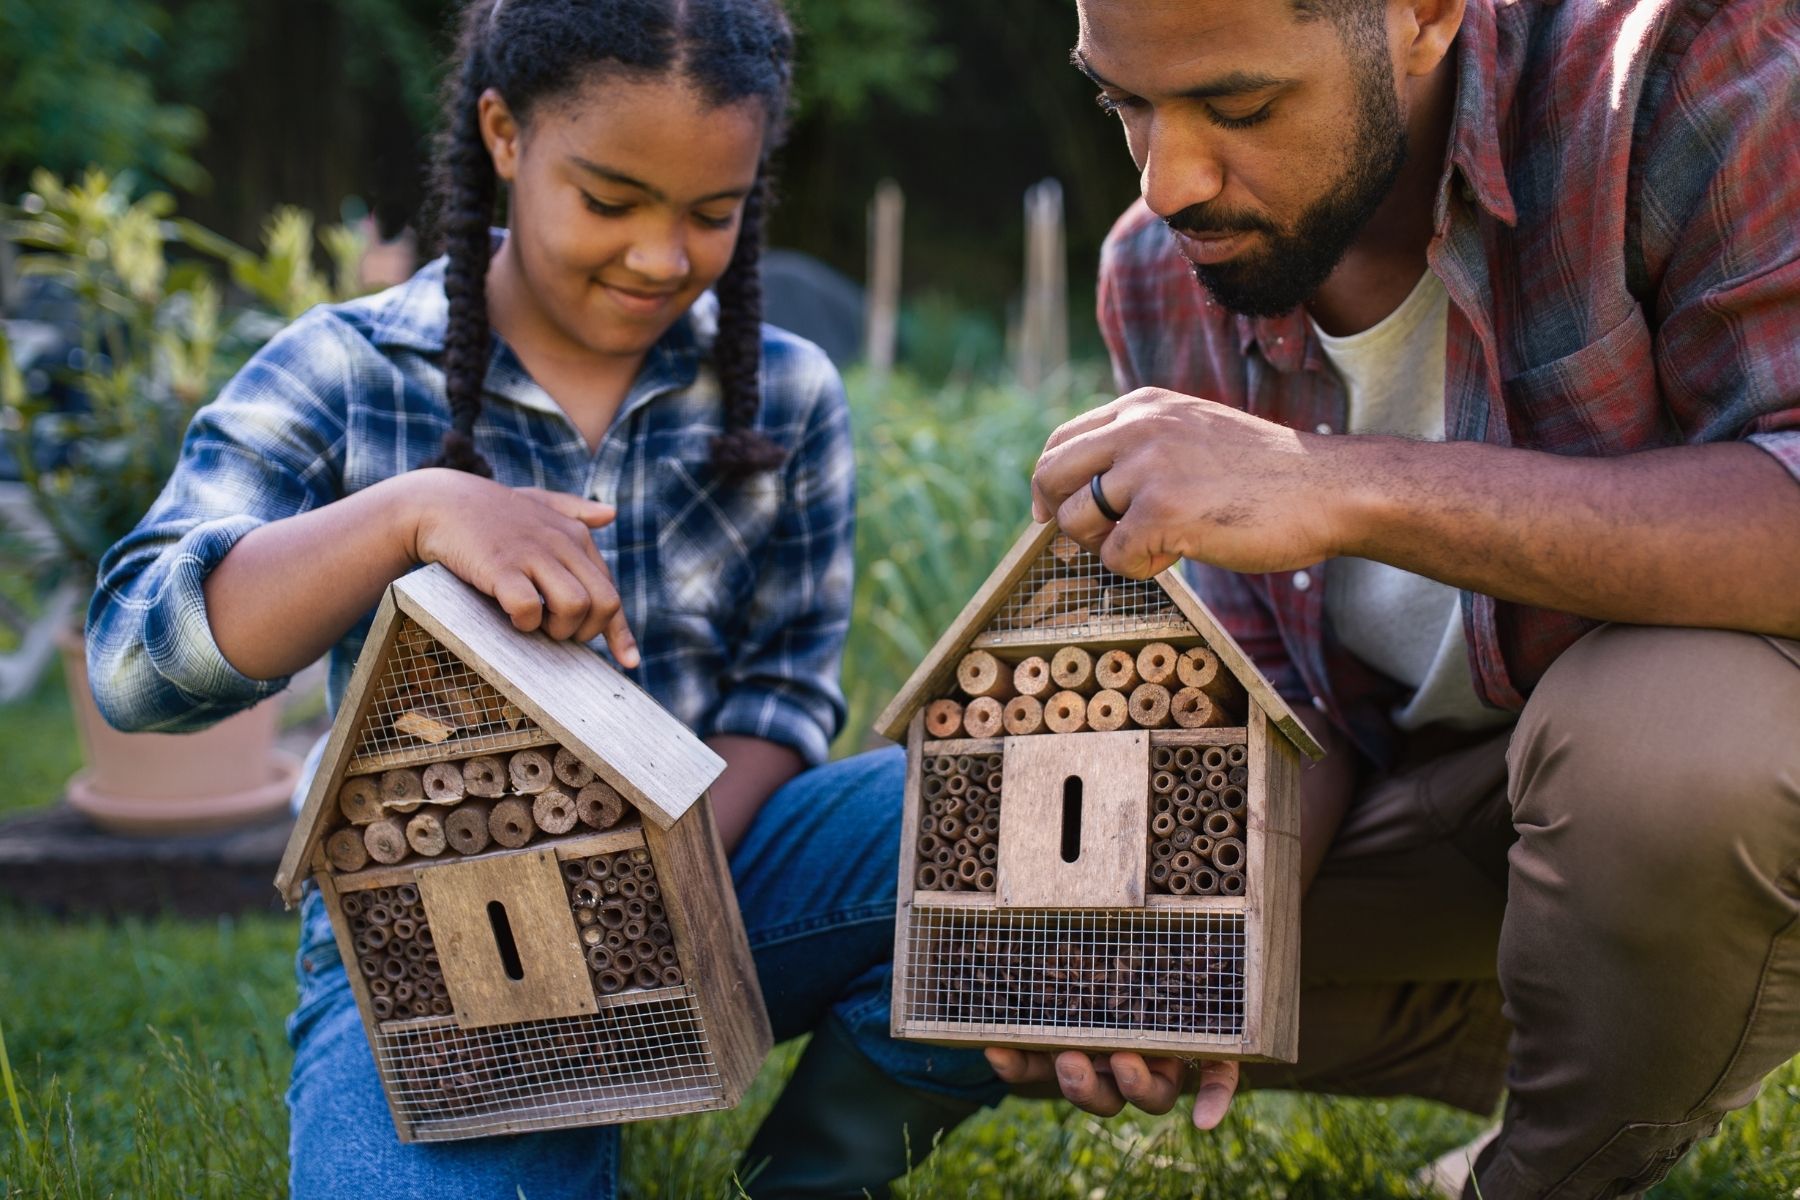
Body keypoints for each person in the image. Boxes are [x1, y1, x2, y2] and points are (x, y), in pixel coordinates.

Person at [84, 1, 997, 1195]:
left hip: (717, 877)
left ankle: (810, 1175)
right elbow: (132, 667)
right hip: (436, 931)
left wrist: (640, 881)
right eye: (610, 202)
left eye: (712, 213)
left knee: (994, 816)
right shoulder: (346, 370)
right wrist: (408, 515)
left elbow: (783, 692)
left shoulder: (784, 391)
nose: (662, 257)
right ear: (505, 135)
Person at [997, 0, 1800, 1197]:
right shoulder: (1160, 272)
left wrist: (1340, 488)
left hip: (1711, 785)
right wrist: (1184, 956)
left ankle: (1553, 1162)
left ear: (1423, 16)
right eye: (1125, 105)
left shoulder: (1683, 71)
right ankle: (1590, 1035)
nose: (1168, 182)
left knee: (1670, 749)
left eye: (1240, 106)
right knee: (1012, 947)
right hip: (1469, 814)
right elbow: (1278, 704)